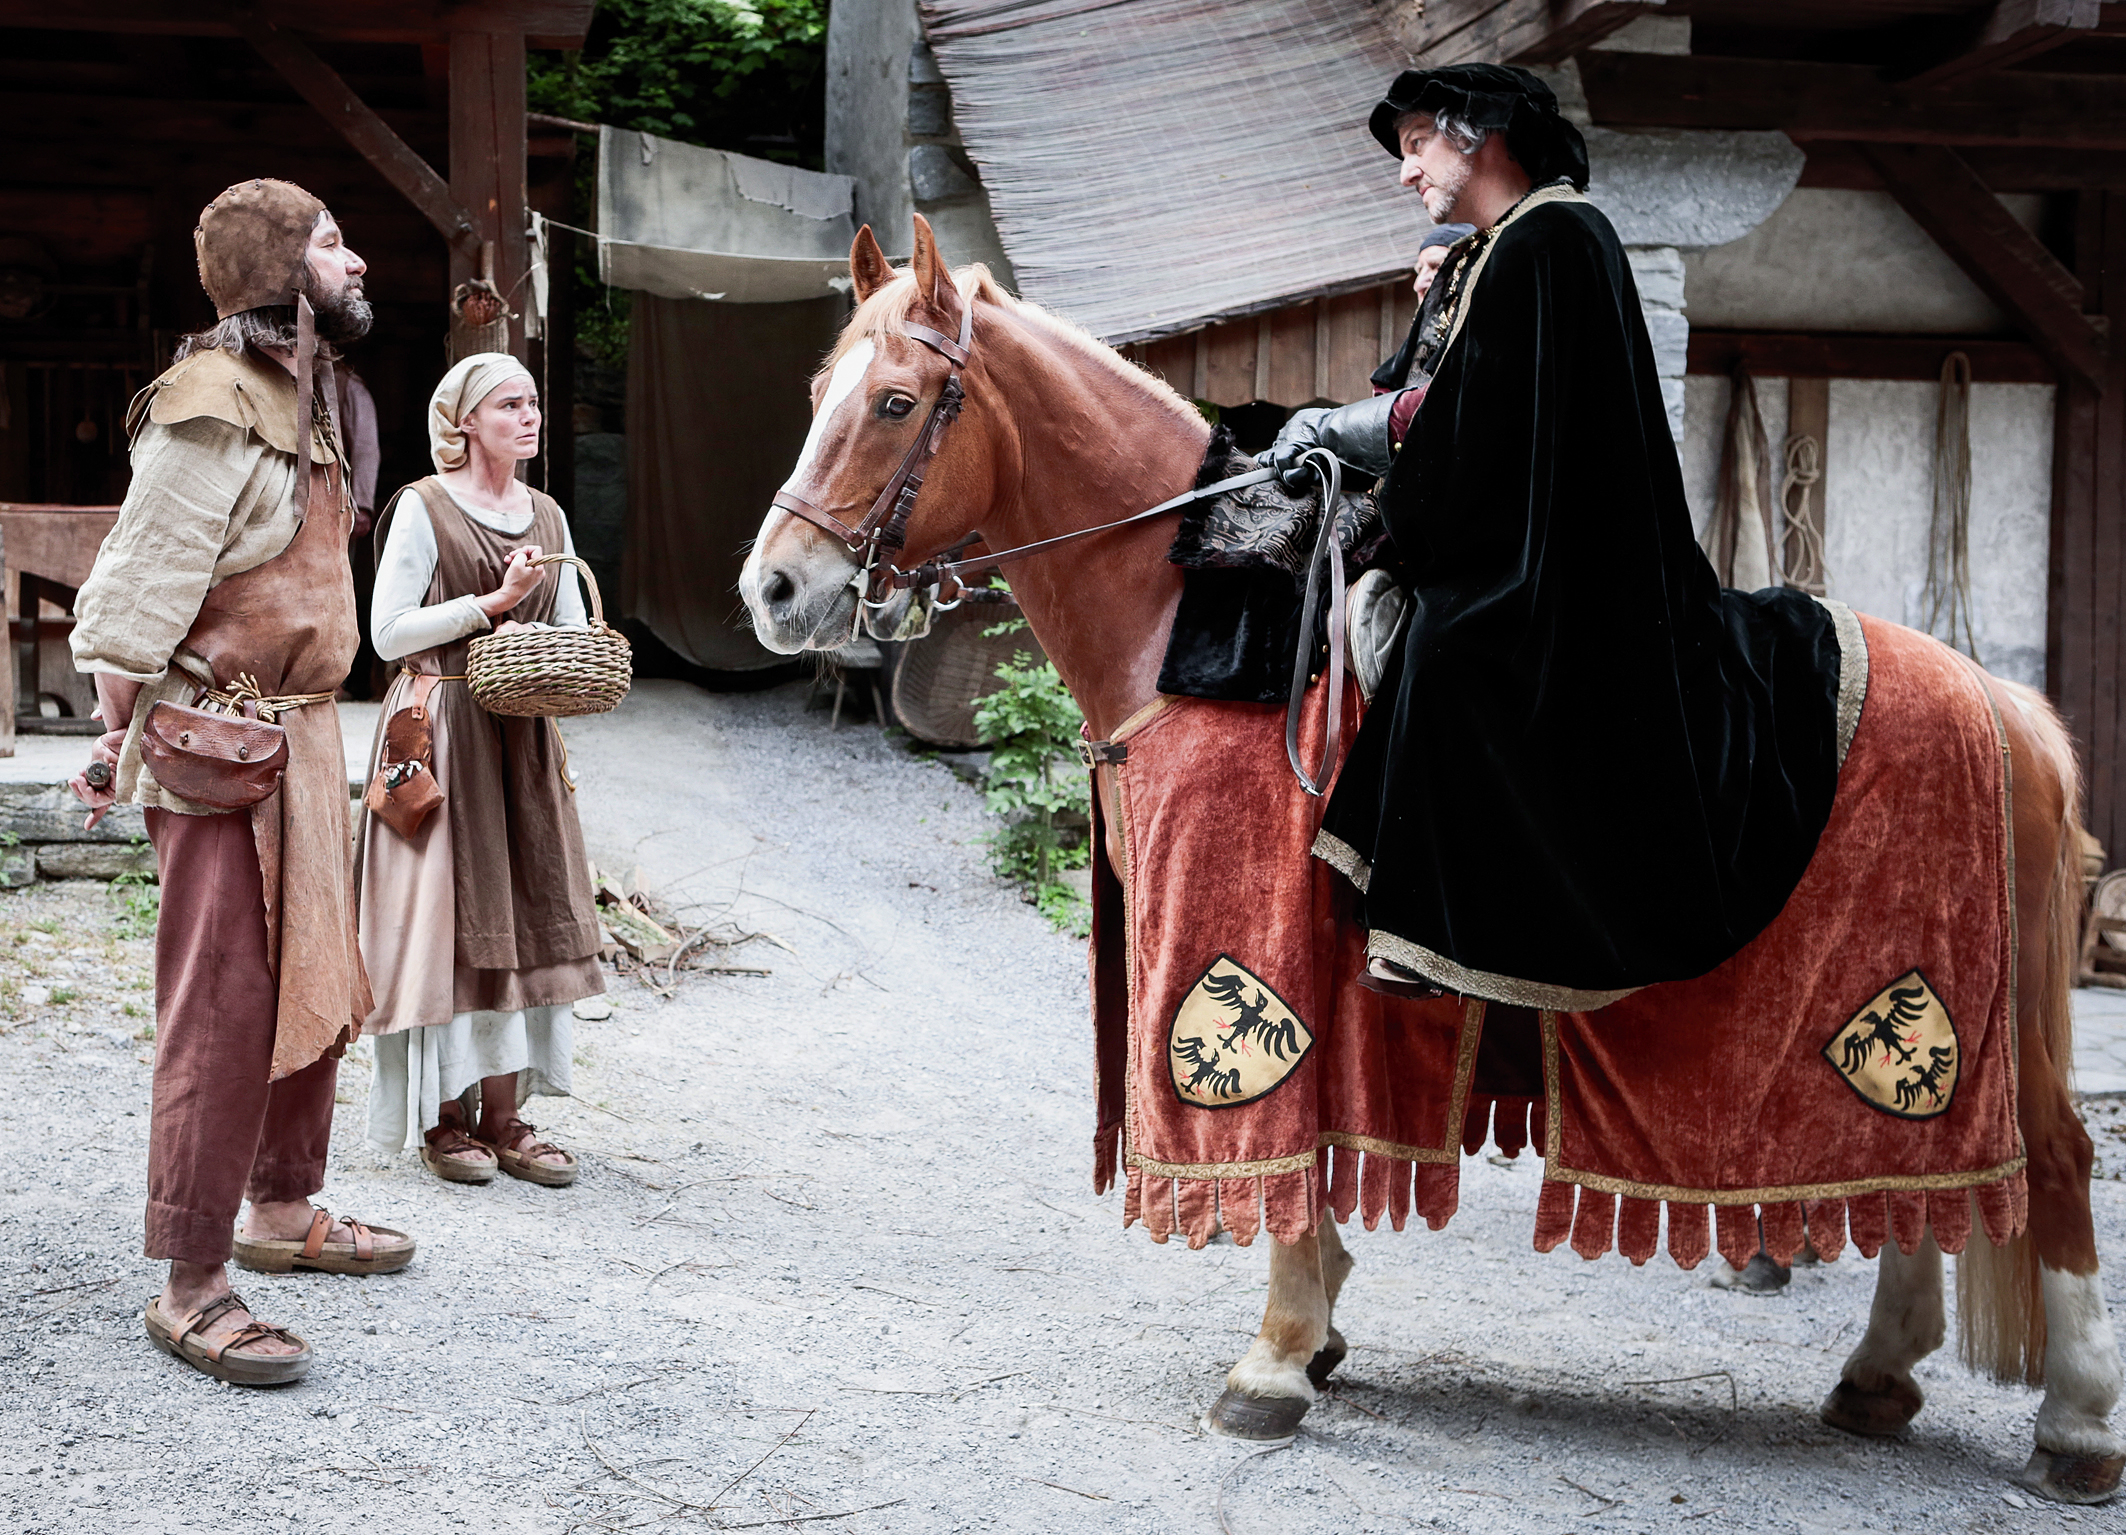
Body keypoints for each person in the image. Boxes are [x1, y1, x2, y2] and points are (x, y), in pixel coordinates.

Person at [1261, 65, 1847, 1011]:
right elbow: (1440, 399)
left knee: (1455, 646)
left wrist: (1332, 428)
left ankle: (1440, 929)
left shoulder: (1555, 234)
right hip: (1518, 528)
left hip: (1571, 558)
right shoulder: (1501, 245)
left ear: (1478, 133)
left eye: (1416, 145)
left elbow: (1466, 417)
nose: (1406, 172)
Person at [69, 178, 414, 1388]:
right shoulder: (211, 403)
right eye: (330, 240)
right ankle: (192, 1280)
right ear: (278, 265)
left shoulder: (309, 396)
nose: (354, 255)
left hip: (304, 735)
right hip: (221, 745)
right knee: (221, 1009)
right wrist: (130, 734)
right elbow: (132, 594)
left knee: (312, 973)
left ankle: (280, 1208)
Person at [355, 352, 604, 1188]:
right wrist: (491, 605)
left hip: (520, 736)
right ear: (464, 423)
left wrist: (568, 648)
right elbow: (387, 633)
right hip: (440, 730)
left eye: (534, 401)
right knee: (448, 916)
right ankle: (444, 1116)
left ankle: (508, 1115)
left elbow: (568, 628)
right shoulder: (424, 507)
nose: (530, 416)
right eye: (509, 404)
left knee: (524, 908)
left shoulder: (549, 516)